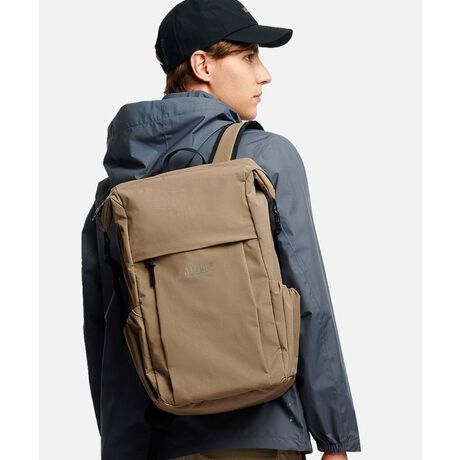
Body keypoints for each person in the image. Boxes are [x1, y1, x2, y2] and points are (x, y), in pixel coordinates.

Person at [81, 0, 361, 459]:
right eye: (248, 57)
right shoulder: (265, 157)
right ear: (203, 65)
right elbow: (308, 296)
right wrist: (335, 438)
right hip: (263, 431)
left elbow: (107, 332)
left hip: (161, 439)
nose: (264, 74)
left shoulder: (118, 185)